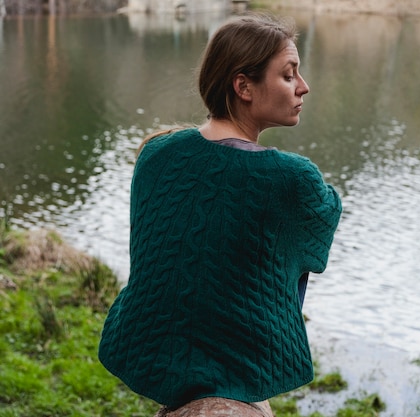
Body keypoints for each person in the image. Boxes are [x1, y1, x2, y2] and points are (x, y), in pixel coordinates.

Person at [97, 13, 342, 417]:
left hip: (155, 350)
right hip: (238, 363)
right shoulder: (292, 178)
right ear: (243, 86)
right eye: (288, 75)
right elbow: (324, 216)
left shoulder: (156, 154)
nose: (303, 87)